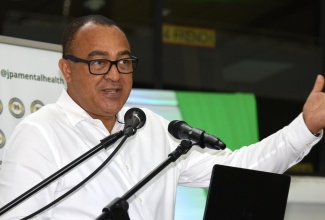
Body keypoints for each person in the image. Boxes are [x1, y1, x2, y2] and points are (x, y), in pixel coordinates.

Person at [0, 14, 324, 220]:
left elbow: (238, 170)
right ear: (66, 69)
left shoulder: (150, 126)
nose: (115, 75)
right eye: (99, 63)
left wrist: (305, 127)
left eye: (124, 62)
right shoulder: (38, 135)